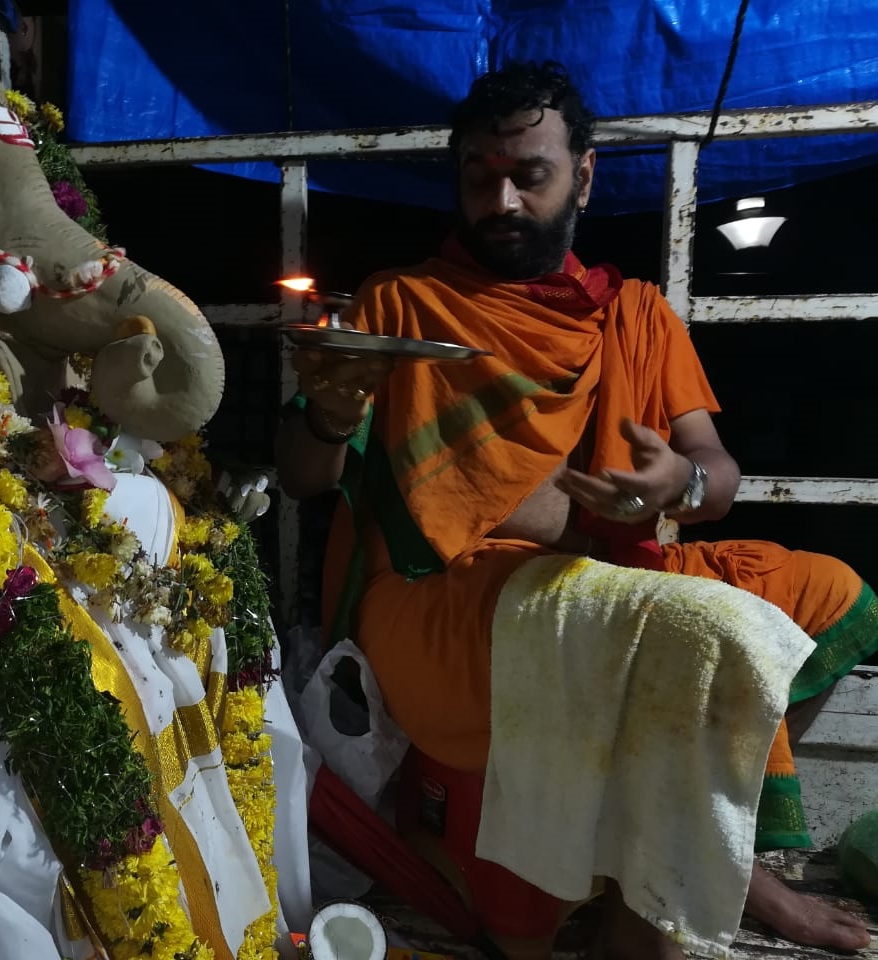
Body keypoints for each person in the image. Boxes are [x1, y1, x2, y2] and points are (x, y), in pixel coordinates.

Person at [276, 60, 876, 960]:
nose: (503, 201)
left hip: (612, 568)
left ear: (584, 177)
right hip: (447, 599)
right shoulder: (401, 304)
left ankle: (703, 853)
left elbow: (717, 469)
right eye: (480, 177)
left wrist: (680, 484)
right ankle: (677, 906)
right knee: (688, 630)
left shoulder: (637, 314)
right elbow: (303, 478)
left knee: (829, 591)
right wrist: (328, 411)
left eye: (531, 175)